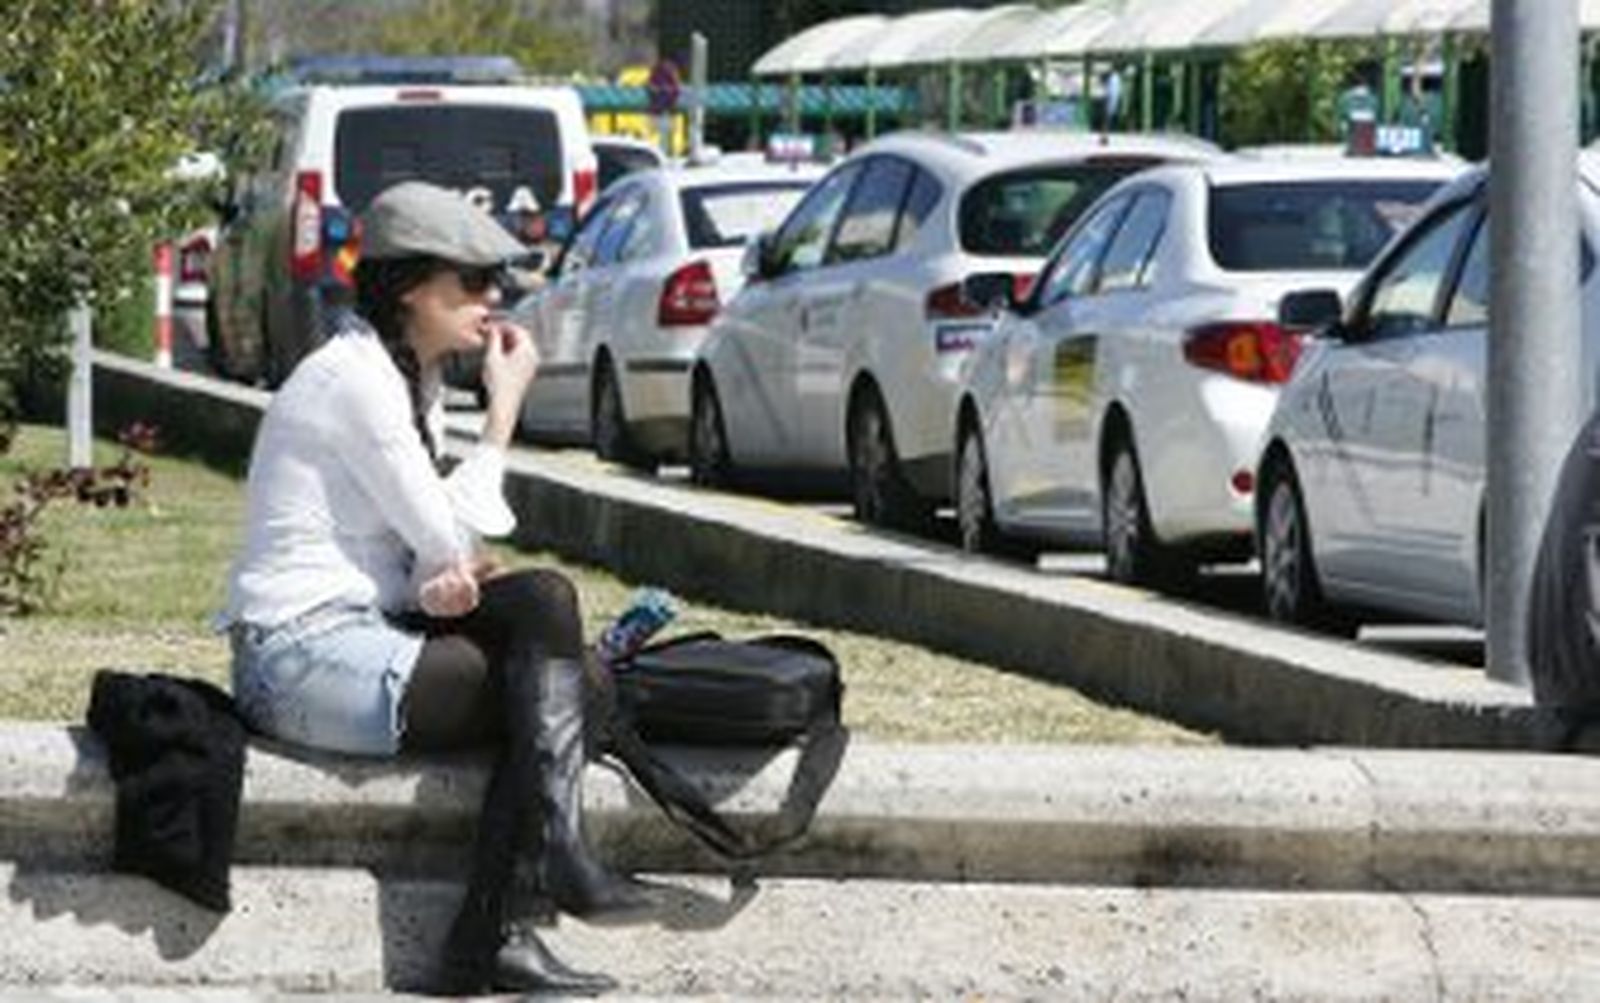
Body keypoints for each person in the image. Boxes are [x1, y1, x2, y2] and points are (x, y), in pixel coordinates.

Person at [219, 181, 643, 995]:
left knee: (556, 635)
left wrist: (441, 583)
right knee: (569, 672)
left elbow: (435, 552)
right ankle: (519, 905)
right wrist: (504, 411)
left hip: (365, 636)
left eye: (497, 285)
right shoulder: (356, 379)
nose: (492, 302)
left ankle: (511, 916)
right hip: (298, 658)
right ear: (411, 287)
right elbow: (446, 534)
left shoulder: (408, 377)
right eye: (472, 283)